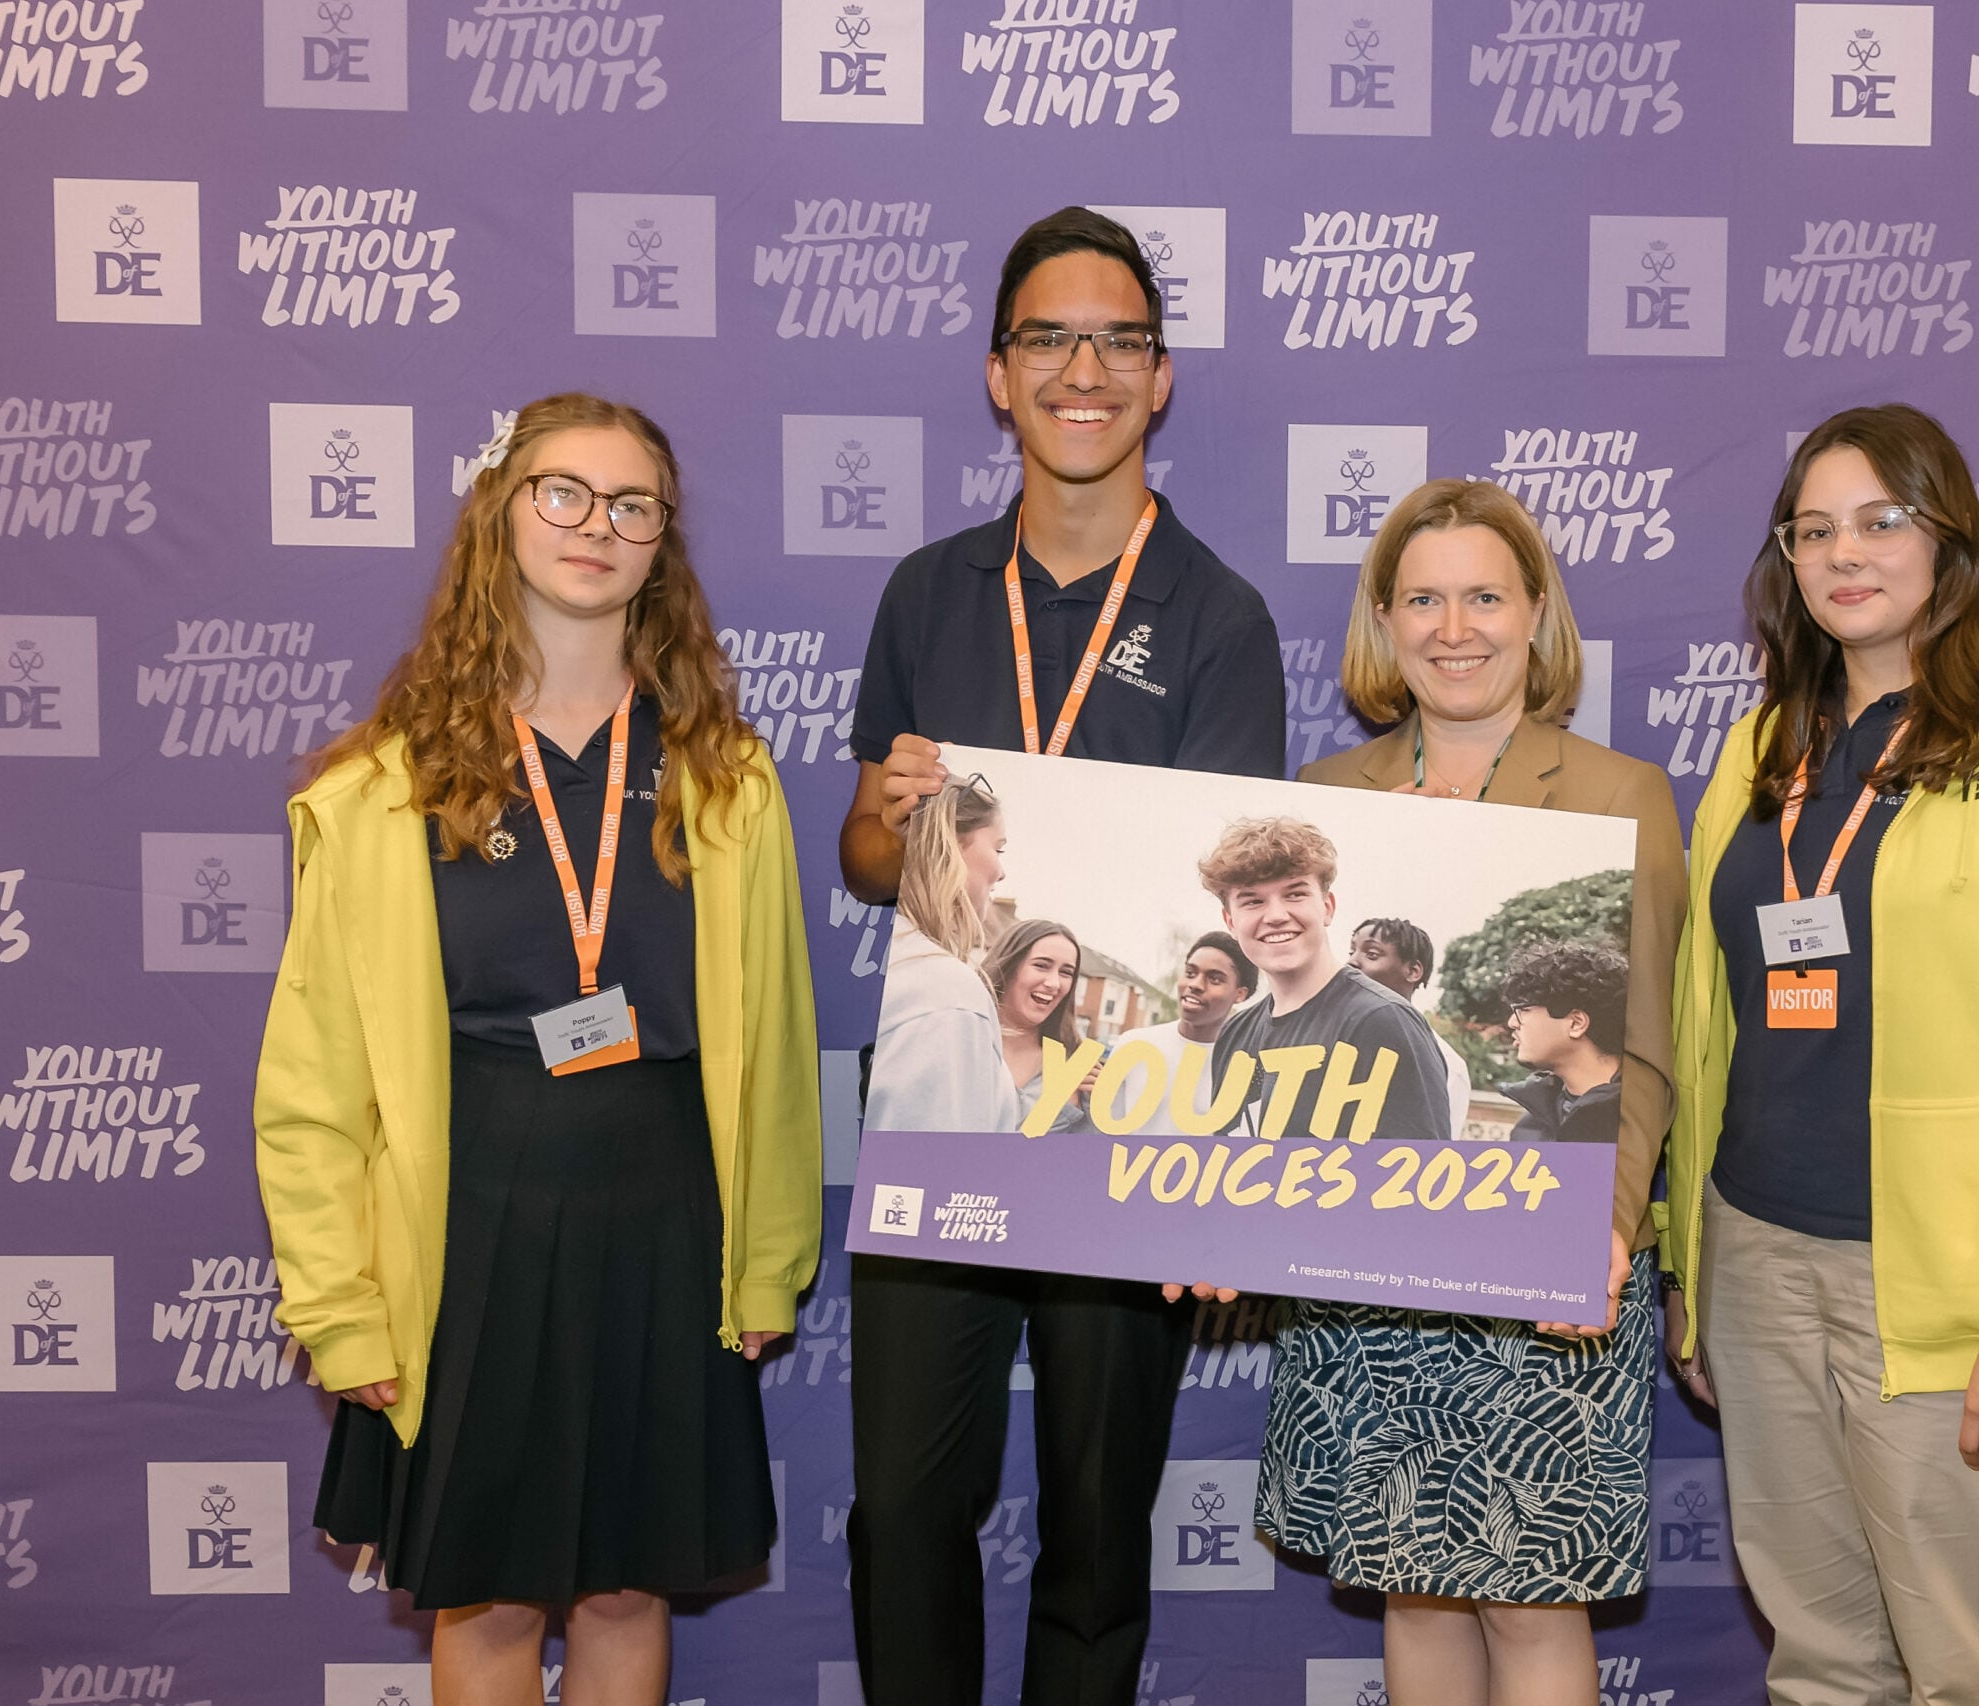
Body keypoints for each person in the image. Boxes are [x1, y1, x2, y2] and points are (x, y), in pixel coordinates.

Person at [254, 393, 821, 1703]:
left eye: (634, 505)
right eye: (563, 492)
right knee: (493, 1592)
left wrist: (768, 1259)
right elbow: (311, 1083)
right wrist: (342, 1306)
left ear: (660, 545)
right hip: (474, 1228)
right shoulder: (385, 786)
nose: (597, 526)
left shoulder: (726, 781)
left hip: (666, 1221)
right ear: (500, 516)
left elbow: (780, 1054)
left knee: (627, 1584)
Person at [835, 204, 1284, 1706]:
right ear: (997, 372)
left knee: (1097, 1529)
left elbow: (1215, 922)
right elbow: (855, 854)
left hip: (1121, 1133)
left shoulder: (1221, 616)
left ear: (1161, 379)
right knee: (904, 1508)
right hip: (946, 1108)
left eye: (1119, 340)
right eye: (1050, 338)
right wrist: (891, 815)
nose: (1083, 367)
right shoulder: (926, 590)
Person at [1663, 403, 1979, 1705]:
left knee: (1971, 1674)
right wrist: (1693, 1261)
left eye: (1882, 519)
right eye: (1813, 527)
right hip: (1761, 1260)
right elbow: (1709, 1020)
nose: (1846, 551)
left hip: (1952, 1294)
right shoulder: (1762, 744)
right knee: (1824, 1660)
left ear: (1950, 536)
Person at [1253, 477, 1689, 1706]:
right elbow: (1297, 1046)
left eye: (1486, 596)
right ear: (1384, 620)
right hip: (1370, 1251)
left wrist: (1601, 1227)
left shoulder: (1621, 791)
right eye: (1425, 598)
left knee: (1533, 1597)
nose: (1456, 627)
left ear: (1535, 610)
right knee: (1413, 1580)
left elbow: (1645, 1043)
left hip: (1550, 1250)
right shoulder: (1326, 797)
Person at [1198, 819, 1455, 1146]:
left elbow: (1424, 1179)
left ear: (1327, 907)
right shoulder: (1235, 1033)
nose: (1276, 915)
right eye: (1253, 900)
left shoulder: (1383, 1021)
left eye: (1294, 894)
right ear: (1230, 922)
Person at [864, 774, 1017, 1135]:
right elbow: (940, 1173)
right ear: (952, 843)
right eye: (998, 849)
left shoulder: (890, 957)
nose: (1001, 871)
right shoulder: (948, 991)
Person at [1098, 932, 1257, 1136]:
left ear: (1240, 994)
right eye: (1190, 973)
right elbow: (1105, 1135)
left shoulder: (1249, 1064)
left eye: (1215, 979)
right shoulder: (1133, 1045)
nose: (1196, 985)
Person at [1347, 916, 1474, 1139]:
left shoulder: (1446, 1062)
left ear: (1413, 971)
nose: (1352, 962)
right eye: (1352, 952)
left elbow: (1435, 1152)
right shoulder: (1328, 1038)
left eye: (1372, 954)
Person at [1499, 939, 1628, 1147]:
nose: (1512, 1023)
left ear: (1576, 1023)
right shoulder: (1530, 1128)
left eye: (1524, 1010)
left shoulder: (1640, 1122)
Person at [983, 918, 1091, 1131]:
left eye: (1066, 972)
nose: (1054, 983)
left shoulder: (1077, 1065)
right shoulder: (964, 1041)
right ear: (1008, 966)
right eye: (1041, 966)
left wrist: (1090, 1104)